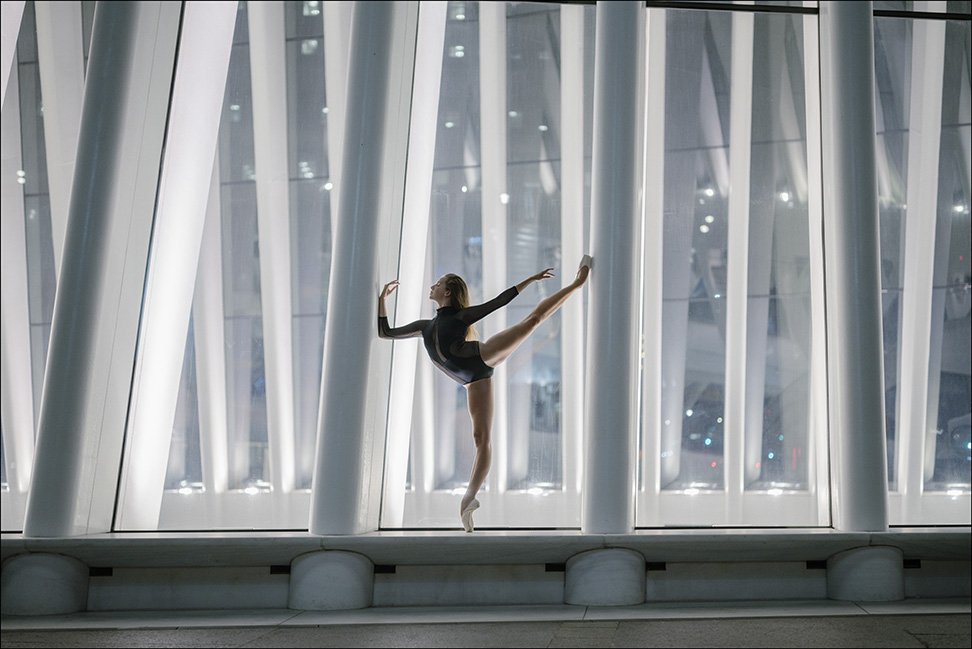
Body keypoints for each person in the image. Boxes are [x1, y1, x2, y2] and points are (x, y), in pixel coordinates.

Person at [378, 255, 592, 532]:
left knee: (533, 320)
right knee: (481, 439)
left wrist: (531, 279)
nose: (432, 286)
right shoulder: (424, 327)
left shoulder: (460, 316)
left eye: (438, 283)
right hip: (471, 380)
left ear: (448, 292)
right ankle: (469, 499)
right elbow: (385, 332)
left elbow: (500, 301)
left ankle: (577, 284)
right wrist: (382, 300)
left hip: (483, 355)